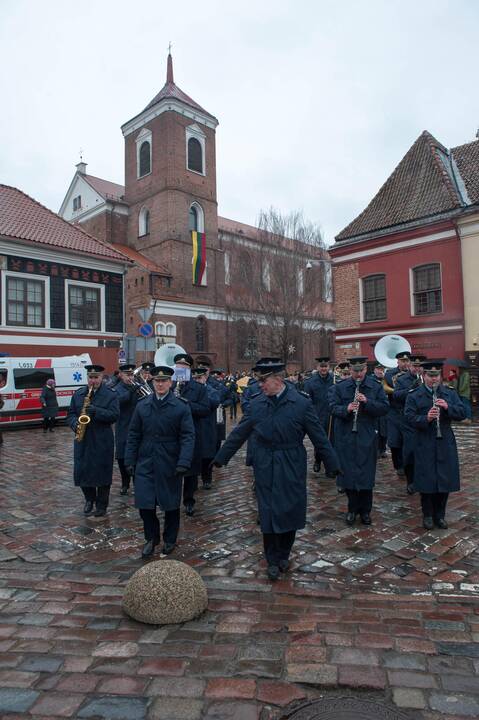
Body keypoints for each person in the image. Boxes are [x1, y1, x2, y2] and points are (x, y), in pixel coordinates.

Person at [213, 359, 340, 581]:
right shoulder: (256, 404)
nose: (260, 385)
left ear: (278, 379)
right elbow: (240, 433)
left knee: (290, 508)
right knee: (268, 509)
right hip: (265, 462)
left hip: (291, 461)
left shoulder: (300, 404)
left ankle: (284, 553)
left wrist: (333, 464)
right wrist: (221, 458)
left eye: (264, 381)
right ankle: (272, 558)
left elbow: (318, 436)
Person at [125, 365, 195, 558]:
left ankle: (170, 539)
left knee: (170, 504)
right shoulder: (143, 405)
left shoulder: (181, 406)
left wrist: (183, 461)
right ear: (152, 382)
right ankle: (151, 538)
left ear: (170, 383)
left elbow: (188, 436)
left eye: (164, 381)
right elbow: (133, 434)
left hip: (170, 460)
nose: (161, 384)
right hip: (146, 459)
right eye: (157, 381)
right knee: (145, 504)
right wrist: (130, 459)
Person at [404, 361, 465, 530]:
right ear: (423, 376)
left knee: (445, 479)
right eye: (430, 376)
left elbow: (462, 412)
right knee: (427, 479)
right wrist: (426, 418)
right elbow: (408, 417)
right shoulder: (414, 395)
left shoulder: (449, 393)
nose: (433, 379)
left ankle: (440, 515)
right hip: (424, 441)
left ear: (440, 376)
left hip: (444, 440)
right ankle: (428, 515)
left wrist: (448, 407)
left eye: (436, 375)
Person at [329, 356, 389, 526]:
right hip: (346, 436)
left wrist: (368, 402)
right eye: (355, 371)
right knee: (348, 474)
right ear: (350, 370)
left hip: (367, 435)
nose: (358, 374)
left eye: (361, 370)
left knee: (366, 473)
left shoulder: (375, 386)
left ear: (365, 370)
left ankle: (365, 511)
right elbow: (331, 407)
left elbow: (384, 408)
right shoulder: (340, 387)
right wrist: (346, 409)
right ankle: (352, 509)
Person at [67, 364, 120, 517]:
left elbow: (114, 415)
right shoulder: (78, 394)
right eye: (91, 377)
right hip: (83, 439)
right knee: (82, 470)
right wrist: (75, 423)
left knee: (103, 472)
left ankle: (102, 505)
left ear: (102, 378)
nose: (93, 381)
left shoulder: (111, 395)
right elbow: (70, 414)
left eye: (96, 377)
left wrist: (97, 411)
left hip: (102, 439)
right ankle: (89, 499)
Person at [172, 353, 209, 516]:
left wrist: (186, 404)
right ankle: (171, 500)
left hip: (192, 433)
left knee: (191, 471)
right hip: (172, 434)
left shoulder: (199, 388)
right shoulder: (169, 385)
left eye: (184, 367)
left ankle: (189, 500)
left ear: (189, 369)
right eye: (178, 367)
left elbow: (205, 409)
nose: (181, 369)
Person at [392, 355, 426, 494]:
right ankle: (411, 481)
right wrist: (411, 389)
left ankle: (423, 479)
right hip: (408, 421)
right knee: (410, 451)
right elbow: (396, 396)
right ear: (410, 366)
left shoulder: (428, 378)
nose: (417, 369)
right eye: (414, 366)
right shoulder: (401, 379)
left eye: (419, 366)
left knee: (425, 452)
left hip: (425, 421)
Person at [304, 357, 334, 473]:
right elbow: (307, 401)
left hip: (332, 416)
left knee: (331, 442)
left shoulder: (334, 380)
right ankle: (317, 460)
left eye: (325, 366)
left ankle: (329, 466)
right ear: (317, 367)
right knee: (319, 441)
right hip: (317, 416)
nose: (323, 369)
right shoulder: (310, 382)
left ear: (328, 367)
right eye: (321, 367)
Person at [113, 363, 139, 495]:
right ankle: (125, 482)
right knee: (122, 456)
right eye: (127, 375)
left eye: (131, 375)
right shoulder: (117, 388)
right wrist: (130, 391)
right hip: (123, 426)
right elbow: (118, 401)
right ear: (121, 375)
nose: (130, 377)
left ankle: (136, 482)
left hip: (137, 426)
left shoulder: (137, 386)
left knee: (136, 454)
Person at [384, 351, 411, 477]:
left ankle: (407, 465)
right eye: (403, 361)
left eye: (407, 361)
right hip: (394, 411)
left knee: (408, 441)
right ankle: (398, 465)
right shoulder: (390, 374)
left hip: (408, 410)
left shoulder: (413, 375)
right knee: (394, 442)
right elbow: (387, 387)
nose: (405, 363)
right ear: (398, 362)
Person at [193, 367, 220, 489]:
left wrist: (201, 395)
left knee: (207, 455)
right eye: (194, 378)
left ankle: (207, 478)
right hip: (193, 427)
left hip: (207, 427)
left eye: (199, 378)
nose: (197, 380)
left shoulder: (211, 390)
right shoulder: (190, 390)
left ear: (205, 378)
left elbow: (214, 403)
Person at [371, 363, 388, 458]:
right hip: (375, 407)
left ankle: (383, 449)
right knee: (376, 429)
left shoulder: (386, 379)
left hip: (385, 407)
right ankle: (377, 449)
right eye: (378, 369)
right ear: (374, 370)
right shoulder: (371, 380)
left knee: (384, 429)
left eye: (381, 369)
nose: (380, 371)